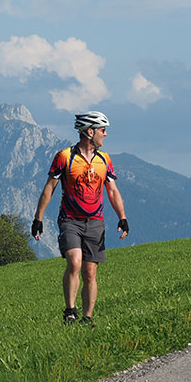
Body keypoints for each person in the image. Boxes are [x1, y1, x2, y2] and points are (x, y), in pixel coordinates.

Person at [31, 111, 128, 325]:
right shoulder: (64, 157)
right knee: (75, 262)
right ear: (89, 132)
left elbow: (112, 191)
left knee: (90, 272)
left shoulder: (105, 159)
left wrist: (122, 217)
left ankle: (87, 317)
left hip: (95, 222)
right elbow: (49, 188)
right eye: (102, 130)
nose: (105, 134)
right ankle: (70, 311)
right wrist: (38, 218)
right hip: (70, 219)